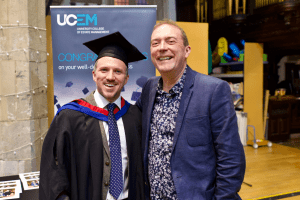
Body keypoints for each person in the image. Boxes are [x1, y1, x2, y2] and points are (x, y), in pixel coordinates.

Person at [136, 20, 246, 200]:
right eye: (156, 43)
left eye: (170, 41)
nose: (162, 48)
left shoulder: (213, 90)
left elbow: (231, 158)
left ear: (187, 50)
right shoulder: (149, 88)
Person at [40, 32, 145, 200]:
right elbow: (54, 173)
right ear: (94, 75)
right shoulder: (70, 117)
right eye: (104, 70)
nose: (110, 77)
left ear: (126, 79)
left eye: (118, 71)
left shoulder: (135, 117)